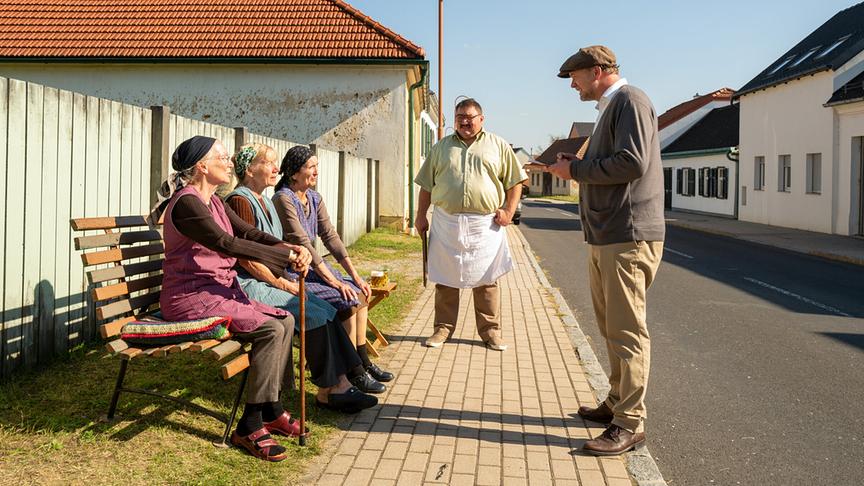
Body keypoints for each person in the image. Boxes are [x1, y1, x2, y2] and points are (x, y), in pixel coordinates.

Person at [155, 136, 377, 462]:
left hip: (218, 292)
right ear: (202, 165)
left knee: (285, 319)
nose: (230, 162)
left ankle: (272, 409)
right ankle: (250, 424)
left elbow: (247, 232)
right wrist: (285, 258)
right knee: (272, 329)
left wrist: (288, 249)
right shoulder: (188, 203)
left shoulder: (214, 201)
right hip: (190, 298)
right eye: (222, 157)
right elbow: (225, 243)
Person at [542, 45, 665, 456]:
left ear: (597, 71)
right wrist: (573, 163)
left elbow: (631, 162)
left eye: (575, 77)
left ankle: (630, 423)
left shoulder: (630, 101)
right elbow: (615, 162)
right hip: (608, 235)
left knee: (627, 330)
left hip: (627, 235)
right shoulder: (612, 108)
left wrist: (573, 170)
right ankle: (616, 402)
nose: (572, 85)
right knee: (612, 326)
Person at [224, 142, 385, 395]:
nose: (276, 168)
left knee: (327, 310)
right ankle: (332, 389)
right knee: (318, 314)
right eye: (268, 163)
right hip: (254, 284)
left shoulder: (264, 201)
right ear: (250, 170)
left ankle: (346, 378)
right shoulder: (241, 201)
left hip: (275, 277)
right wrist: (283, 282)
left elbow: (275, 243)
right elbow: (247, 259)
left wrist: (293, 253)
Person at [271, 145, 394, 392]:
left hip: (316, 266)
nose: (317, 171)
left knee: (359, 293)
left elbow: (331, 238)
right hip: (295, 271)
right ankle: (353, 371)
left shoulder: (314, 198)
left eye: (317, 165)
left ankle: (362, 362)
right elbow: (303, 243)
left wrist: (355, 276)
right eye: (311, 166)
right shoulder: (284, 198)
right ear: (294, 173)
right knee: (344, 297)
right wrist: (336, 282)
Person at [413, 98, 528, 351]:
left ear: (481, 119)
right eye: (459, 117)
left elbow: (515, 181)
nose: (464, 121)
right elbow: (426, 186)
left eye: (469, 117)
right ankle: (442, 329)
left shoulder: (498, 145)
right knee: (446, 278)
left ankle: (490, 332)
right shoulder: (441, 147)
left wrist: (509, 210)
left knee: (487, 279)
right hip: (446, 222)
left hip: (484, 225)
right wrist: (421, 215)